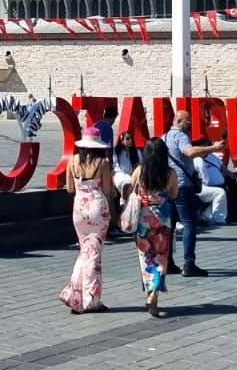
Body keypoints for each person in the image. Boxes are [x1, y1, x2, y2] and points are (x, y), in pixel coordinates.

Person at [58, 126, 116, 313]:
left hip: (79, 209)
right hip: (97, 209)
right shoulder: (103, 163)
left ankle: (73, 294)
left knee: (85, 251)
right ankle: (91, 299)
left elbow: (69, 189)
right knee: (93, 255)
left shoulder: (73, 161)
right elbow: (107, 190)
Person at [165, 111, 221, 277]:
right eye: (188, 122)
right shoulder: (181, 136)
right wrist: (214, 148)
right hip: (183, 186)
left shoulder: (165, 136)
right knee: (189, 224)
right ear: (179, 120)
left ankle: (167, 262)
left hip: (169, 185)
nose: (189, 126)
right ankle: (189, 264)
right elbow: (189, 152)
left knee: (170, 225)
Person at [129, 136, 177, 318]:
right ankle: (153, 296)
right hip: (163, 220)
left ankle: (151, 294)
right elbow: (173, 194)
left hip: (143, 220)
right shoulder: (170, 174)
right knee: (161, 259)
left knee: (146, 259)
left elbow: (130, 190)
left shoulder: (139, 171)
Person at [195, 148, 230, 226]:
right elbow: (204, 178)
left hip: (190, 188)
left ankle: (207, 215)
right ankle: (218, 218)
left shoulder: (190, 158)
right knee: (220, 192)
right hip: (199, 189)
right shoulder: (198, 160)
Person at [111, 132, 140, 206]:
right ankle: (123, 200)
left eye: (131, 138)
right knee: (125, 181)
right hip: (120, 175)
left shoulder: (137, 152)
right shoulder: (116, 152)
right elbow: (115, 166)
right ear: (122, 141)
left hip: (133, 175)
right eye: (127, 138)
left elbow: (140, 166)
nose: (130, 140)